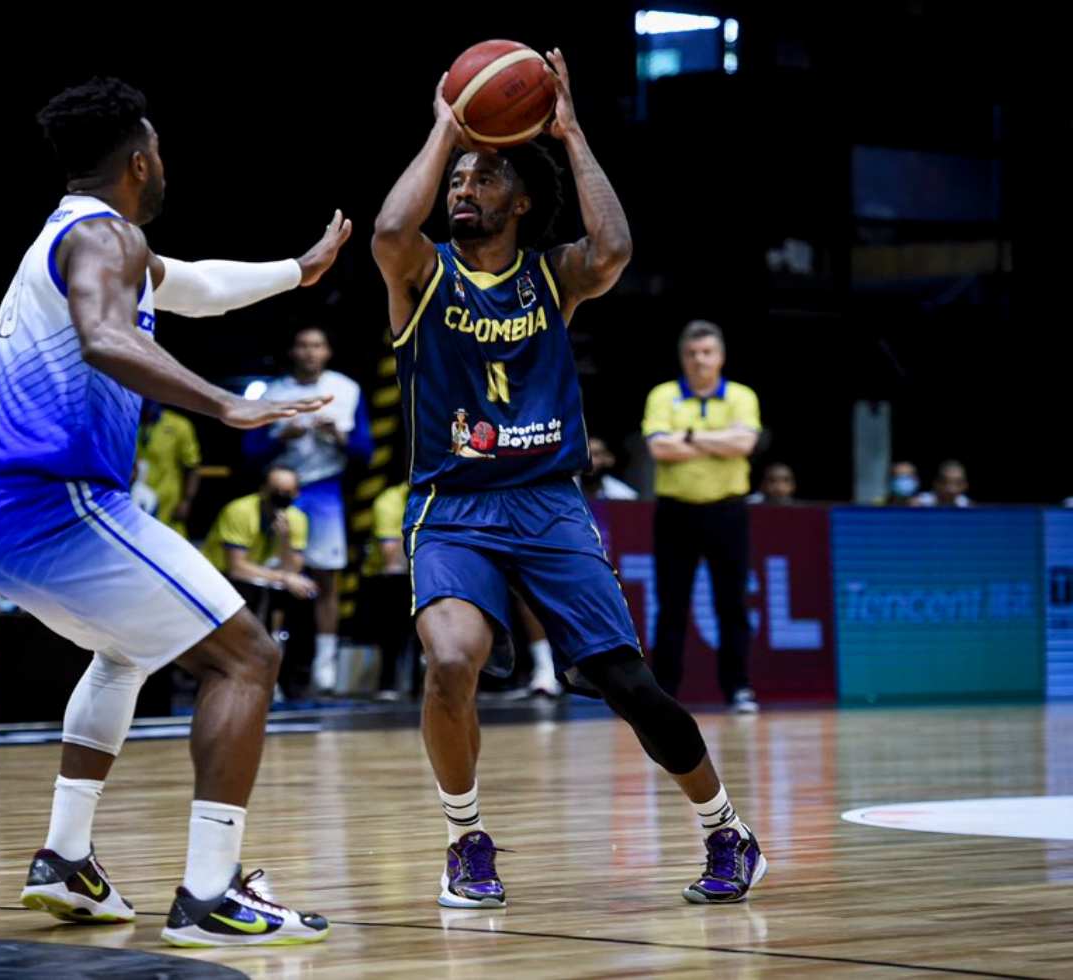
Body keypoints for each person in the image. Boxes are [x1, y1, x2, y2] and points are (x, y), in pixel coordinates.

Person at [0, 77, 351, 947]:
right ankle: (209, 896)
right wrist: (224, 402)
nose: (164, 163)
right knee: (248, 656)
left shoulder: (75, 237)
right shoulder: (108, 235)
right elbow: (105, 338)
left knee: (126, 650)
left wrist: (298, 270)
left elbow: (197, 287)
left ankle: (66, 860)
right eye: (159, 150)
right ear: (139, 162)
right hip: (56, 504)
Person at [371, 51, 765, 910]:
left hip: (548, 504)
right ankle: (466, 841)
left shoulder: (551, 277)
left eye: (484, 176)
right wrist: (446, 129)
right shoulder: (425, 274)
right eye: (457, 178)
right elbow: (390, 231)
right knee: (450, 660)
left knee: (629, 687)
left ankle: (727, 828)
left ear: (521, 201)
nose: (463, 188)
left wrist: (573, 132)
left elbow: (614, 247)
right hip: (452, 506)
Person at [643, 320, 762, 715]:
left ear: (721, 357)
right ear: (682, 358)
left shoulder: (741, 396)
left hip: (727, 512)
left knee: (732, 604)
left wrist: (689, 437)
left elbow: (745, 442)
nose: (700, 361)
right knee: (671, 605)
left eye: (707, 353)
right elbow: (659, 449)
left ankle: (738, 688)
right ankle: (665, 692)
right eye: (692, 354)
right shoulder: (663, 395)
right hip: (676, 513)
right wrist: (719, 442)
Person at [247, 326, 372, 693]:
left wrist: (338, 435)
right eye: (302, 345)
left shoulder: (346, 389)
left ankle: (324, 663)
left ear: (327, 351)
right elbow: (249, 452)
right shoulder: (273, 393)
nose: (309, 352)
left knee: (326, 576)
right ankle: (269, 664)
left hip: (324, 489)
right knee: (275, 575)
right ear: (293, 351)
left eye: (317, 345)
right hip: (282, 487)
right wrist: (280, 437)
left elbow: (365, 452)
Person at [202, 466, 319, 601]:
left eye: (287, 492)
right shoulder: (240, 511)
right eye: (276, 491)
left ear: (296, 493)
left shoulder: (297, 518)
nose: (281, 495)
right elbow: (236, 568)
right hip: (218, 576)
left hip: (258, 578)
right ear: (263, 489)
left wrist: (285, 539)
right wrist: (284, 577)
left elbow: (293, 570)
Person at [362, 480, 415, 699]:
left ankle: (422, 684)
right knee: (396, 602)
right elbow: (392, 557)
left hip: (424, 569)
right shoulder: (388, 501)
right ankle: (388, 680)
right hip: (387, 576)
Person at [132, 400, 202, 536]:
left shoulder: (179, 425)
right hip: (135, 497)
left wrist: (186, 500)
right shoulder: (129, 421)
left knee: (170, 539)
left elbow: (192, 467)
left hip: (168, 500)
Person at [586, 435, 637, 500]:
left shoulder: (624, 497)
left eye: (595, 454)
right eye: (585, 455)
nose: (589, 460)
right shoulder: (573, 489)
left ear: (609, 459)